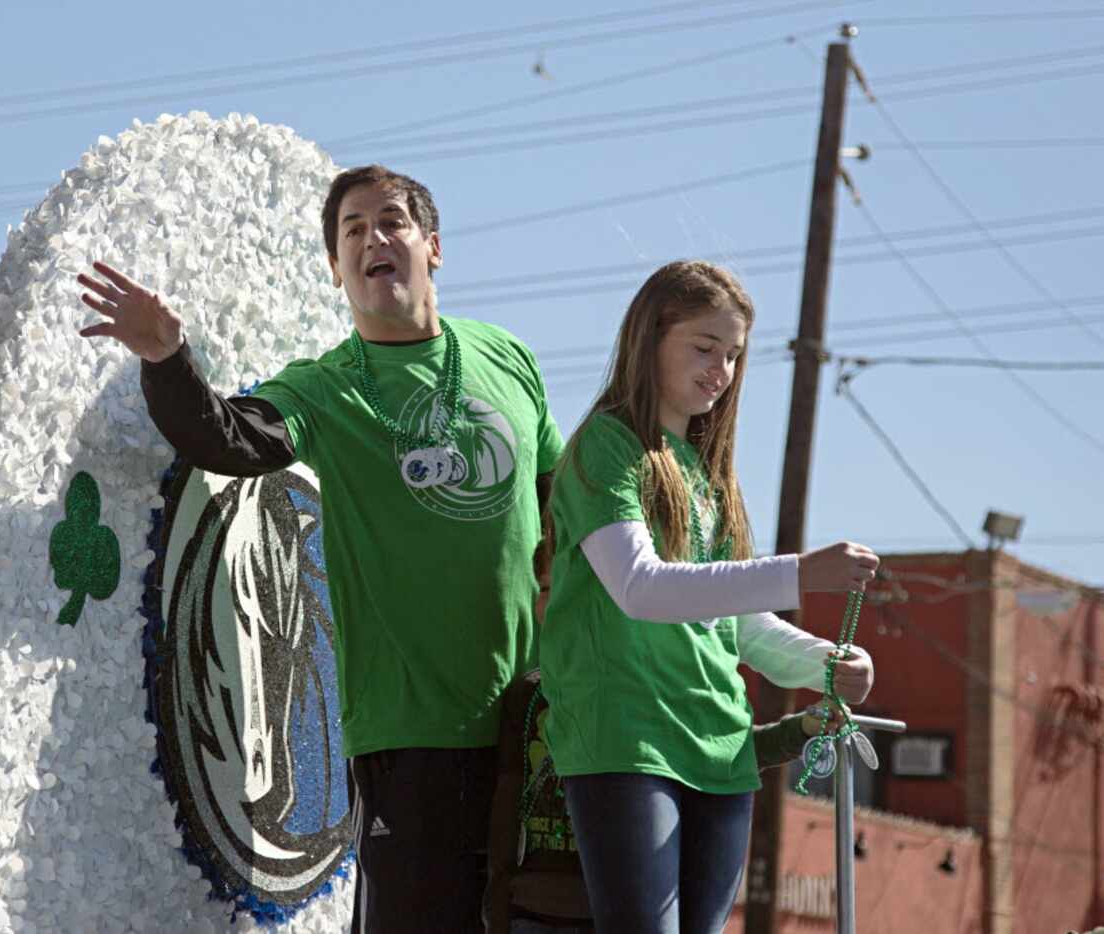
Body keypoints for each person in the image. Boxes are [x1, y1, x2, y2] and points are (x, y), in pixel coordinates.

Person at [77, 164, 563, 933]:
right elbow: (226, 438)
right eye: (353, 230)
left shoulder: (509, 357)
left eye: (392, 221)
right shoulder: (325, 388)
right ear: (337, 270)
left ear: (432, 246)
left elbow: (558, 512)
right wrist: (167, 356)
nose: (375, 236)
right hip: (412, 737)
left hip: (530, 730)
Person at [538, 260, 878, 934]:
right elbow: (639, 588)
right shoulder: (606, 446)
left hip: (723, 751)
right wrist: (801, 573)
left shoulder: (709, 476)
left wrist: (825, 664)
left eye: (733, 355)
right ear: (649, 337)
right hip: (625, 740)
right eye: (703, 346)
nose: (720, 369)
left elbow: (740, 628)